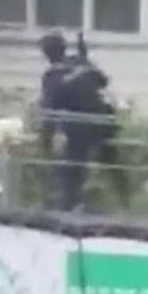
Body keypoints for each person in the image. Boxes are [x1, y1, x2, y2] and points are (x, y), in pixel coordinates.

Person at [38, 31, 117, 210]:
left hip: (80, 127)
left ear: (46, 54)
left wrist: (44, 143)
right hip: (104, 120)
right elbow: (103, 82)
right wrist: (85, 63)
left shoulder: (52, 77)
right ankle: (123, 201)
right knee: (111, 165)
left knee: (69, 168)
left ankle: (69, 206)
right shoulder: (79, 63)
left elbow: (50, 112)